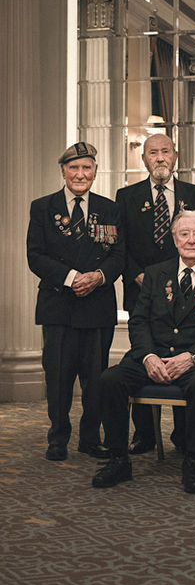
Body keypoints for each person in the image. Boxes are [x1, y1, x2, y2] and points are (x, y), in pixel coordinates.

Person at [91, 211, 195, 492]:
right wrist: (147, 356)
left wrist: (192, 356)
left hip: (194, 360)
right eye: (184, 234)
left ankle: (193, 460)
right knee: (110, 380)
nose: (191, 240)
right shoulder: (156, 273)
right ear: (174, 239)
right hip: (153, 356)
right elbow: (139, 320)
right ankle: (118, 459)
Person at [27, 142, 125, 461]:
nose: (80, 174)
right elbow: (35, 256)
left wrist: (97, 276)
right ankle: (57, 437)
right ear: (63, 171)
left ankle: (89, 437)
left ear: (95, 172)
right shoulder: (43, 207)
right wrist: (71, 277)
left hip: (97, 306)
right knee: (58, 377)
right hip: (59, 306)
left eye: (86, 168)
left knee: (95, 379)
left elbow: (119, 255)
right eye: (74, 168)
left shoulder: (109, 209)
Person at [115, 133, 195, 455]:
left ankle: (183, 434)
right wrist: (139, 275)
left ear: (176, 155)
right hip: (143, 287)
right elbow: (121, 245)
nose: (159, 158)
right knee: (147, 355)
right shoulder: (126, 196)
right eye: (152, 152)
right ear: (144, 159)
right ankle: (144, 433)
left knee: (184, 348)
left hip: (189, 290)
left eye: (165, 152)